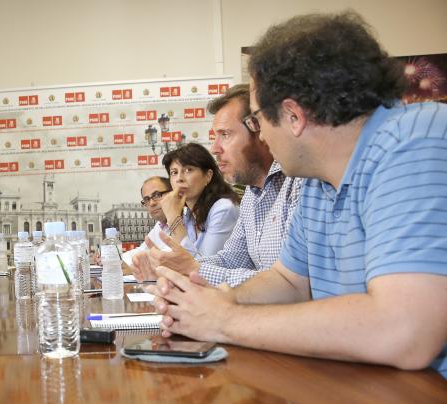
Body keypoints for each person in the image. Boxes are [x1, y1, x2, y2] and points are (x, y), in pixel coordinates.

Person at [148, 12, 447, 375]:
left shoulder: (416, 143)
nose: (262, 136)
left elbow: (406, 331)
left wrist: (224, 319)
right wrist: (218, 300)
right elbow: (290, 280)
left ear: (293, 115)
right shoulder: (319, 177)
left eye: (257, 119)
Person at [132, 84, 302, 286]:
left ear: (260, 130)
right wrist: (174, 267)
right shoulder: (251, 194)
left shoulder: (297, 184)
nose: (215, 148)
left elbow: (289, 287)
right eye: (174, 173)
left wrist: (193, 269)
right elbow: (230, 259)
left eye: (225, 135)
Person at [159, 143, 240, 257]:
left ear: (208, 176)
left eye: (188, 170)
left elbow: (204, 268)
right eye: (174, 172)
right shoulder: (189, 215)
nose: (179, 179)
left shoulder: (224, 209)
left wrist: (173, 218)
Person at [119, 176, 172, 268]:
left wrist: (132, 267)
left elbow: (168, 258)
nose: (152, 203)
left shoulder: (188, 221)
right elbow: (142, 250)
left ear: (173, 193)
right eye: (147, 199)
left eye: (157, 195)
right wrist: (114, 260)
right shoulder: (160, 225)